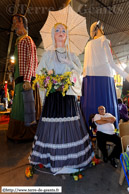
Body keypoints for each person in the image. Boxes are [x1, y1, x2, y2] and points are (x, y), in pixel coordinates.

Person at [29, 23, 94, 175]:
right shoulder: (47, 54)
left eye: (63, 30)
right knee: (53, 128)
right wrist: (49, 78)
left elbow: (79, 72)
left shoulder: (72, 55)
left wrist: (69, 65)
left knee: (69, 127)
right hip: (53, 97)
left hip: (68, 97)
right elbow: (39, 73)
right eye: (57, 30)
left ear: (67, 35)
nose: (60, 32)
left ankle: (70, 160)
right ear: (53, 34)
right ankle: (52, 158)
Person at [80, 21, 129, 130]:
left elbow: (85, 68)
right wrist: (125, 75)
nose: (103, 29)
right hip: (105, 80)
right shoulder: (103, 41)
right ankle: (110, 129)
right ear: (97, 29)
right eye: (101, 27)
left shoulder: (88, 45)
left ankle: (90, 130)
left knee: (91, 106)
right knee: (108, 104)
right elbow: (111, 63)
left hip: (89, 82)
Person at [7, 14, 41, 142]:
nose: (15, 25)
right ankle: (18, 133)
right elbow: (21, 62)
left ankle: (26, 134)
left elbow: (30, 60)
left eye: (16, 22)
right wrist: (13, 68)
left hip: (25, 81)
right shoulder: (19, 41)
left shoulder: (27, 40)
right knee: (18, 108)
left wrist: (27, 79)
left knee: (24, 109)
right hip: (20, 80)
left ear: (22, 23)